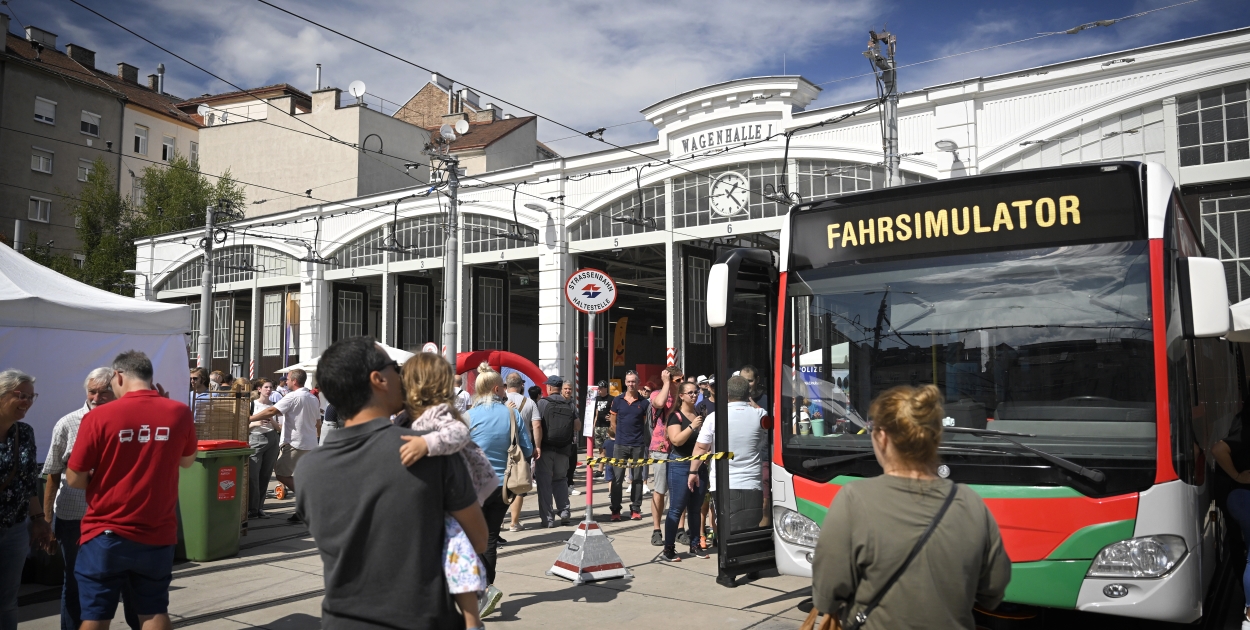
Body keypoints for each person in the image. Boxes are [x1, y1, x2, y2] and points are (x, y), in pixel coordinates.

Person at [295, 337, 484, 630]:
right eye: (396, 368)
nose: (402, 375)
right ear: (378, 379)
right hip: (424, 620)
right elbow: (479, 538)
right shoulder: (427, 450)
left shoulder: (307, 468)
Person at [809, 385, 1011, 628]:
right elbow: (993, 590)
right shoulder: (970, 503)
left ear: (882, 437)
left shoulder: (853, 499)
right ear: (935, 436)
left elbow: (827, 594)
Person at [66, 351, 198, 630]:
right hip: (158, 532)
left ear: (119, 376)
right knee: (153, 612)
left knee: (96, 616)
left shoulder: (99, 417)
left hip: (105, 532)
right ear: (150, 378)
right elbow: (187, 462)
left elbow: (74, 478)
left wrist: (103, 477)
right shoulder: (178, 411)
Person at [397, 356, 501, 626]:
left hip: (460, 493)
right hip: (447, 497)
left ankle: (471, 619)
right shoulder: (407, 417)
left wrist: (427, 444)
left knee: (459, 553)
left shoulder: (438, 413)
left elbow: (458, 434)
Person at [42, 368, 139, 630]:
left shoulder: (132, 422)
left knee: (132, 583)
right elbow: (51, 474)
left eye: (104, 391)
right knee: (76, 583)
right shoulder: (68, 423)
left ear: (116, 391)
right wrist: (48, 522)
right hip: (76, 518)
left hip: (122, 519)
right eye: (92, 391)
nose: (96, 397)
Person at [464, 366, 533, 618]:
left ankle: (483, 589)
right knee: (490, 538)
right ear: (496, 389)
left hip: (473, 488)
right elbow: (527, 449)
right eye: (503, 387)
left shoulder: (468, 416)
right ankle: (486, 589)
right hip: (503, 487)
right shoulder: (511, 415)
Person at [0, 369, 53, 630]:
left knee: (7, 602)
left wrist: (39, 520)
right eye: (21, 395)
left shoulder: (25, 433)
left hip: (15, 530)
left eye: (32, 397)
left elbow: (27, 482)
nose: (27, 402)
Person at [689, 376, 769, 531]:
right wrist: (750, 401)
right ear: (748, 393)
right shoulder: (760, 415)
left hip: (724, 484)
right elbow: (768, 427)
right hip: (753, 483)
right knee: (751, 529)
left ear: (726, 393)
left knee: (727, 530)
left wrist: (693, 471)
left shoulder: (714, 418)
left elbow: (701, 447)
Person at [250, 368, 318, 519]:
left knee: (281, 474)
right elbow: (318, 423)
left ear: (294, 381)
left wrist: (249, 419)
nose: (285, 382)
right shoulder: (313, 398)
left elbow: (271, 411)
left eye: (287, 379)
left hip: (295, 443)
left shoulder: (293, 396)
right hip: (311, 443)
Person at [659, 381, 708, 562]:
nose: (694, 396)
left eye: (696, 392)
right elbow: (676, 440)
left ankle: (695, 544)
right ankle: (669, 549)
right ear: (681, 396)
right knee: (677, 508)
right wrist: (692, 426)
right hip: (679, 464)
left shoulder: (699, 414)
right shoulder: (676, 417)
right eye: (690, 393)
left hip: (699, 464)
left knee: (695, 508)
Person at [1212, 411, 1250, 628]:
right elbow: (1218, 449)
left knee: (1240, 547)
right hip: (1237, 491)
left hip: (1236, 493)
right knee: (1241, 547)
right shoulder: (1246, 426)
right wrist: (1237, 475)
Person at [646, 366, 683, 544]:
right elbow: (659, 404)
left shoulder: (683, 396)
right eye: (678, 380)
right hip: (660, 448)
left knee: (680, 490)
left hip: (680, 447)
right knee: (660, 490)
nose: (681, 383)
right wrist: (667, 384)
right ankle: (656, 529)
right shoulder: (657, 394)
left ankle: (680, 528)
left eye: (682, 379)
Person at [608, 370, 651, 521]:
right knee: (617, 478)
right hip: (620, 444)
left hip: (638, 445)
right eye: (628, 381)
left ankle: (635, 509)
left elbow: (645, 423)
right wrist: (618, 434)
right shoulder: (617, 400)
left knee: (638, 478)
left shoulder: (644, 403)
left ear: (638, 383)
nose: (631, 384)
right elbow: (613, 421)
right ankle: (615, 510)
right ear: (625, 382)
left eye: (633, 381)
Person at [535, 376, 576, 527]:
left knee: (544, 483)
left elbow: (537, 425)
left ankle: (548, 519)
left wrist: (537, 446)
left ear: (550, 388)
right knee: (561, 480)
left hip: (545, 449)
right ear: (560, 388)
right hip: (564, 450)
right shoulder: (570, 404)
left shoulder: (542, 403)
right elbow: (577, 426)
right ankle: (564, 512)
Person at [503, 373, 538, 532]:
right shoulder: (529, 403)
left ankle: (499, 520)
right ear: (521, 385)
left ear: (506, 385)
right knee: (518, 485)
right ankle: (514, 523)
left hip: (503, 447)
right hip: (523, 449)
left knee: (502, 483)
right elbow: (536, 426)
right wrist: (537, 446)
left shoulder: (500, 402)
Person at [247, 379, 280, 519]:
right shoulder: (252, 404)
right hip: (255, 438)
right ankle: (251, 508)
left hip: (272, 439)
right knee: (253, 476)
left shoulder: (275, 406)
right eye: (266, 387)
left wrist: (271, 420)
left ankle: (260, 507)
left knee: (265, 475)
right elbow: (243, 424)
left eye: (271, 387)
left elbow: (279, 428)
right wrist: (256, 423)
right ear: (259, 389)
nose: (269, 390)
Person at [561, 380, 581, 496]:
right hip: (562, 439)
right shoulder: (559, 402)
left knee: (572, 463)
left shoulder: (572, 404)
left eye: (570, 389)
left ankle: (570, 484)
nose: (568, 391)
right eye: (566, 389)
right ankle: (565, 485)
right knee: (564, 464)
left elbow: (577, 426)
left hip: (572, 438)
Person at [592, 380, 614, 478]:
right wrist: (594, 425)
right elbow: (596, 413)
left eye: (601, 388)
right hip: (598, 426)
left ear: (605, 388)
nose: (599, 390)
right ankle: (600, 469)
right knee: (600, 449)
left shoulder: (611, 399)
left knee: (606, 449)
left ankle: (604, 469)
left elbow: (614, 412)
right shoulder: (597, 399)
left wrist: (612, 421)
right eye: (598, 388)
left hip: (606, 426)